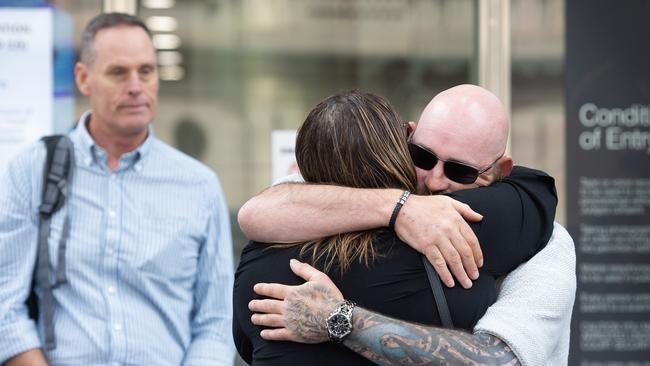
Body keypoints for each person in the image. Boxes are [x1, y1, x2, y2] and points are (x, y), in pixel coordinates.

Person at [241, 84, 576, 365]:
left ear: (499, 171)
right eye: (423, 157)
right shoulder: (343, 202)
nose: (434, 180)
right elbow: (255, 212)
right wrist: (398, 207)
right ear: (408, 137)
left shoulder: (546, 245)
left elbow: (501, 361)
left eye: (460, 172)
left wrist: (339, 318)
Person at [0, 13, 235, 365]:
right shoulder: (33, 170)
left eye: (146, 71)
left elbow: (216, 323)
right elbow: (6, 305)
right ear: (83, 78)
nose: (136, 86)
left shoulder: (198, 185)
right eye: (118, 72)